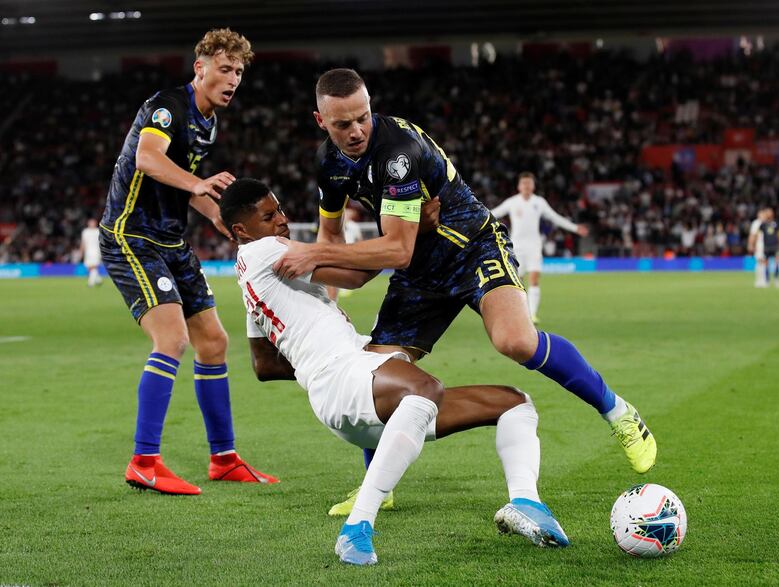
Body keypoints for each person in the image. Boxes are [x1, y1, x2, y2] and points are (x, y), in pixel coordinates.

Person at [274, 69, 656, 514]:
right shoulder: (330, 164)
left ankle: (619, 413)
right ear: (321, 120)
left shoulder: (396, 152)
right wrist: (328, 308)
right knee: (375, 374)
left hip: (470, 245)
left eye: (363, 117)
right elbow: (331, 237)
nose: (357, 130)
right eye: (343, 124)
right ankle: (378, 483)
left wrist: (313, 254)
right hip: (421, 269)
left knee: (515, 341)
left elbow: (395, 248)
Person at [220, 178, 570, 565]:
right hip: (345, 377)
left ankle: (525, 502)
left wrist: (309, 368)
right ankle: (357, 528)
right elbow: (354, 275)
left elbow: (263, 365)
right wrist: (412, 230)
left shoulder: (247, 282)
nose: (283, 221)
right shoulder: (267, 249)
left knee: (514, 403)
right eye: (269, 216)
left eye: (280, 210)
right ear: (241, 230)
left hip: (353, 384)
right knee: (424, 389)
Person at [99, 29, 275, 495]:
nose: (233, 78)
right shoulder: (168, 106)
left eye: (239, 71)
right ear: (200, 68)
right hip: (130, 234)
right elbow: (148, 158)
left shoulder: (208, 121)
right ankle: (144, 461)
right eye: (224, 68)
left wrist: (217, 215)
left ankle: (223, 458)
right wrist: (198, 186)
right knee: (173, 338)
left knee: (214, 341)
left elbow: (185, 185)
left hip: (170, 240)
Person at [490, 172, 589, 323]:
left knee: (534, 279)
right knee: (517, 281)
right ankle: (519, 312)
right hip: (516, 246)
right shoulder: (512, 202)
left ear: (533, 186)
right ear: (519, 186)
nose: (527, 186)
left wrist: (575, 228)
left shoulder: (539, 202)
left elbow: (555, 217)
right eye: (524, 183)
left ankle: (532, 315)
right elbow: (492, 214)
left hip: (534, 246)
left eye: (529, 183)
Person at [748, 207, 779, 288]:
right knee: (765, 263)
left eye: (770, 212)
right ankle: (767, 280)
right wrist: (753, 244)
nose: (768, 214)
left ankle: (776, 279)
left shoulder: (776, 223)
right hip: (766, 246)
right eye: (767, 212)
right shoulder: (763, 224)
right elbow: (757, 235)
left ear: (772, 214)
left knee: (777, 262)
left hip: (776, 246)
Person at [80, 218, 103, 287]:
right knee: (89, 267)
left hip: (96, 251)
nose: (92, 224)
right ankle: (99, 280)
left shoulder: (98, 231)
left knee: (94, 267)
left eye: (93, 223)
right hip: (88, 252)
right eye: (90, 222)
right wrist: (81, 251)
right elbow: (83, 242)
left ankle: (91, 283)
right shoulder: (85, 231)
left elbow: (101, 242)